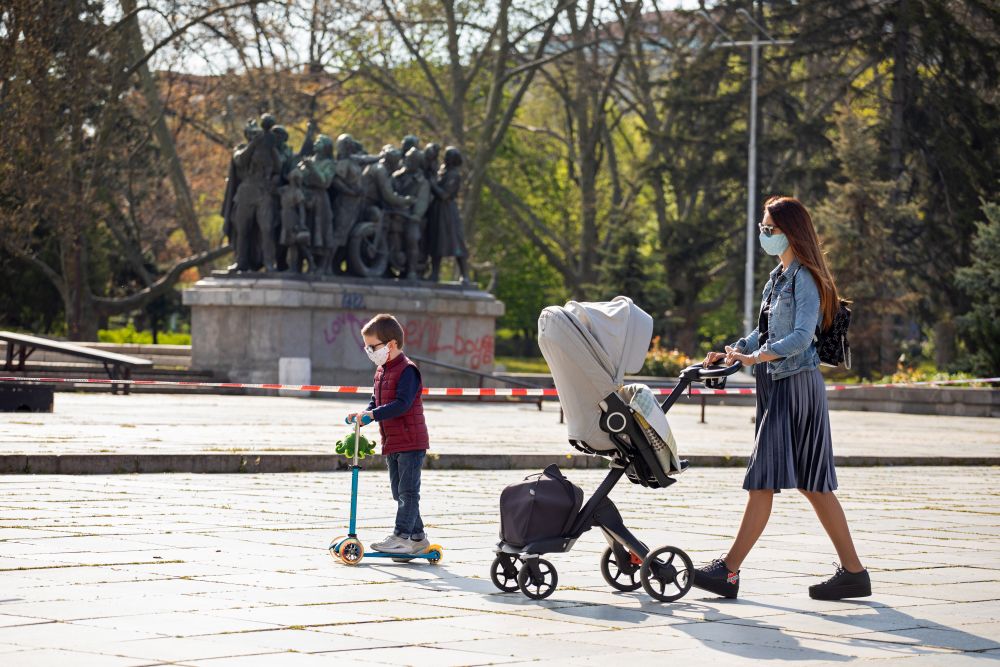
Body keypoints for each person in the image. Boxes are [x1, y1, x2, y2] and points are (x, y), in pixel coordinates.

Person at [692, 196, 870, 601]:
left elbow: (801, 338)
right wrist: (733, 351)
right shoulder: (778, 277)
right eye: (763, 228)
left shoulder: (804, 278)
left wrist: (756, 357)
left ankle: (729, 571)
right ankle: (855, 574)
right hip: (777, 384)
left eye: (770, 229)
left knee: (765, 478)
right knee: (814, 485)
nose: (764, 234)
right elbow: (764, 333)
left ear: (790, 232)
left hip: (796, 387)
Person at [346, 314, 431, 555]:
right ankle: (418, 537)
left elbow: (402, 404)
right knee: (399, 492)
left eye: (373, 346)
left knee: (408, 492)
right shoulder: (382, 371)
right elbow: (377, 401)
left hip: (411, 441)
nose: (369, 351)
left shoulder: (408, 370)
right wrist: (364, 414)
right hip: (393, 441)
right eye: (367, 347)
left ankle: (401, 536)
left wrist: (374, 415)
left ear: (391, 344)